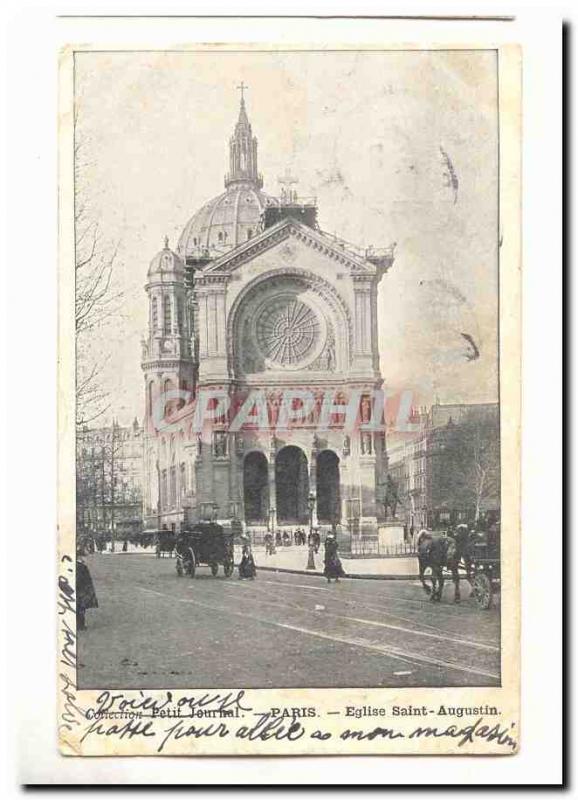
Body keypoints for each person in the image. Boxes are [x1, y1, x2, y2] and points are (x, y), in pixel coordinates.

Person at [76, 552, 98, 631]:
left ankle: (79, 625)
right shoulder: (81, 567)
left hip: (79, 590)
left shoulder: (78, 566)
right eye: (84, 557)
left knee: (79, 608)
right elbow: (82, 579)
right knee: (81, 608)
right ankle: (80, 625)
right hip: (82, 590)